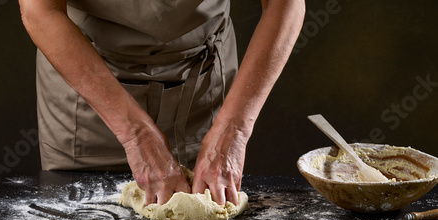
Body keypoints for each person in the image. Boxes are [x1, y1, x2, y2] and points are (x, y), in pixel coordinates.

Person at [19, 0, 305, 206]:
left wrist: (235, 128)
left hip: (201, 81)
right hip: (90, 88)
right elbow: (40, 11)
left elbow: (285, 4)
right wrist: (136, 135)